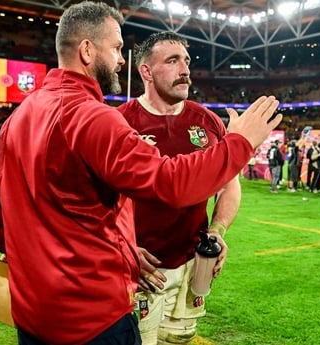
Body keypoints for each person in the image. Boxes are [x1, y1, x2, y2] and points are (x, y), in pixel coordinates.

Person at [0, 2, 282, 345]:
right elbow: (169, 183)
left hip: (34, 316)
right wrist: (241, 142)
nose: (120, 59)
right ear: (86, 51)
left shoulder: (17, 119)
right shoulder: (95, 117)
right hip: (94, 317)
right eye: (116, 48)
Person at [116, 31, 242, 345]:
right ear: (146, 71)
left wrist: (217, 231)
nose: (184, 69)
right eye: (172, 61)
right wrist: (122, 246)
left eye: (186, 60)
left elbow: (229, 186)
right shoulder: (119, 122)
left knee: (179, 339)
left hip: (192, 264)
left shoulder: (209, 121)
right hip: (140, 267)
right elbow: (96, 198)